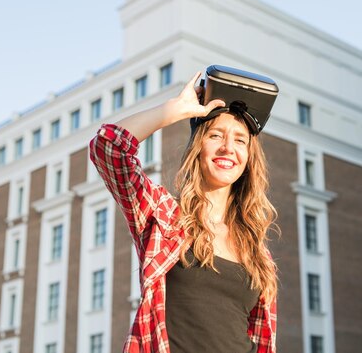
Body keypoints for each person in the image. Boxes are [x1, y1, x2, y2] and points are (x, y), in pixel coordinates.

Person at [89, 71, 278, 353]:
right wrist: (177, 109)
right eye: (216, 135)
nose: (228, 148)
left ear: (249, 158)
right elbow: (108, 147)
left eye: (240, 140)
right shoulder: (165, 216)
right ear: (198, 147)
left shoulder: (255, 247)